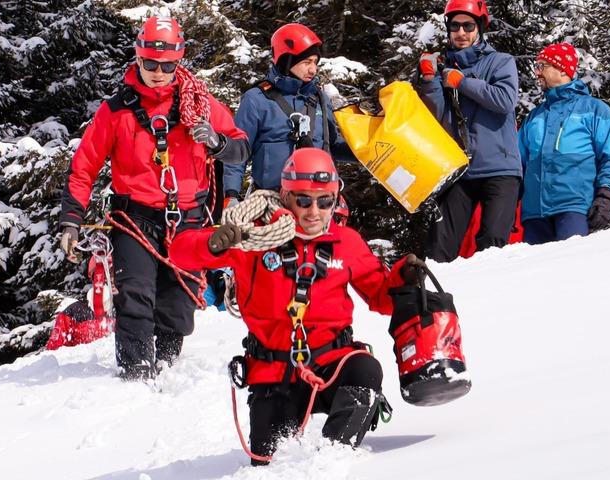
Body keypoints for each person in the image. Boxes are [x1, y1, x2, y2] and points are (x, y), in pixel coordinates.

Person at [169, 147, 424, 464]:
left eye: (324, 201)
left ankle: (331, 460)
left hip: (332, 365)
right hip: (273, 375)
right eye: (303, 200)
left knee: (365, 369)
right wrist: (212, 242)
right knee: (266, 462)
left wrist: (404, 279)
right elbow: (179, 252)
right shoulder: (253, 240)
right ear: (286, 197)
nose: (314, 211)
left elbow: (381, 298)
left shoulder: (346, 242)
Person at [58, 16, 249, 380]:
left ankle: (164, 366)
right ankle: (135, 371)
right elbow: (84, 166)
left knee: (179, 302)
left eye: (167, 65)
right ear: (138, 58)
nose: (158, 72)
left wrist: (218, 143)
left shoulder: (200, 106)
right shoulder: (116, 111)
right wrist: (71, 218)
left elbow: (241, 148)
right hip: (135, 218)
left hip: (189, 218)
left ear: (179, 61)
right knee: (135, 295)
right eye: (150, 63)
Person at [416, 0, 522, 263]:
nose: (461, 32)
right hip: (460, 169)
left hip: (500, 170)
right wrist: (430, 82)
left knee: (493, 246)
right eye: (455, 26)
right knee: (439, 248)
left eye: (468, 25)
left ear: (480, 28)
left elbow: (505, 101)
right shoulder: (443, 67)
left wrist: (463, 82)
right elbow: (438, 117)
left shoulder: (500, 62)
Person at [222, 23, 354, 210]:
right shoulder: (256, 100)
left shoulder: (320, 99)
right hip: (271, 203)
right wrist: (231, 195)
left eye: (315, 62)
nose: (313, 70)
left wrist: (368, 151)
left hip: (317, 204)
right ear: (287, 61)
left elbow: (331, 144)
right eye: (306, 62)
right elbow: (238, 153)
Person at [516, 43, 610, 244]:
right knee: (534, 272)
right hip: (534, 213)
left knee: (571, 270)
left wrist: (605, 195)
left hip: (573, 207)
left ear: (562, 70)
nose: (537, 72)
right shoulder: (534, 117)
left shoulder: (595, 109)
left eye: (542, 66)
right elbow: (516, 164)